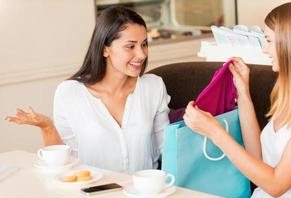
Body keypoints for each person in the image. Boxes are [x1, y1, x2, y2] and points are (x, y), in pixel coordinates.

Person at [5, 6, 170, 174]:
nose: (142, 54)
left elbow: (167, 151)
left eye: (144, 44)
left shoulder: (153, 87)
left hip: (145, 193)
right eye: (130, 46)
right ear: (105, 49)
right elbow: (66, 163)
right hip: (93, 192)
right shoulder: (69, 93)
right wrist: (47, 127)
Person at [183, 1, 291, 198]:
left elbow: (276, 184)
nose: (265, 50)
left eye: (269, 41)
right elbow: (258, 161)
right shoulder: (288, 97)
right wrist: (243, 93)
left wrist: (215, 132)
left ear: (290, 43)